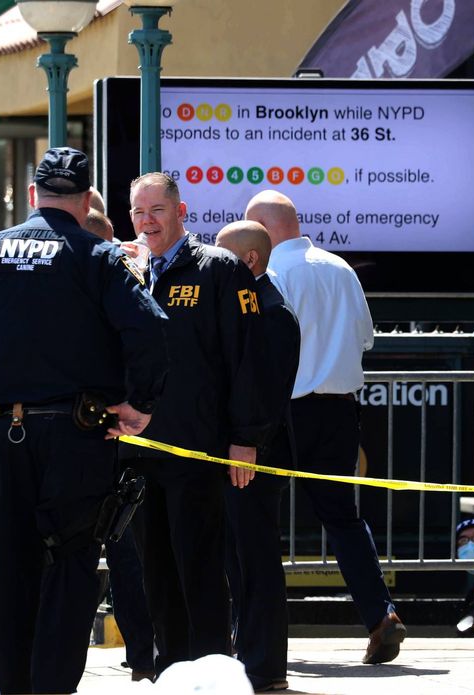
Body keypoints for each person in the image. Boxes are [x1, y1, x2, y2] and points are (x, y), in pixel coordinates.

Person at [0, 147, 168, 694]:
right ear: (83, 202)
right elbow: (152, 330)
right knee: (72, 562)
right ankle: (52, 686)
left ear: (32, 196)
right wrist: (140, 406)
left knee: (11, 560)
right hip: (79, 435)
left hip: (6, 432)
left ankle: (15, 685)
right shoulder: (96, 256)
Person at [117, 173, 270, 675]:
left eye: (156, 210)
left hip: (197, 450)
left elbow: (247, 360)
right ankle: (169, 671)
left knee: (200, 569)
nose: (146, 221)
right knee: (155, 571)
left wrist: (243, 439)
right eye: (138, 212)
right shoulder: (123, 270)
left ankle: (211, 672)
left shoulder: (218, 268)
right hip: (137, 452)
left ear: (181, 212)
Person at [246, 189, 407, 665]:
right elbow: (365, 338)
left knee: (254, 520)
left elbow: (264, 347)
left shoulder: (272, 273)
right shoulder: (341, 268)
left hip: (283, 411)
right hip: (338, 408)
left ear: (265, 231)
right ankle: (381, 616)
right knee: (343, 518)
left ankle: (253, 633)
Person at [216, 220, 301, 692]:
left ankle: (265, 664)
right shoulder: (249, 307)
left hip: (256, 458)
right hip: (238, 457)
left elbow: (265, 394)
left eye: (224, 256)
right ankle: (248, 653)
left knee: (257, 561)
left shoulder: (272, 312)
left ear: (249, 260)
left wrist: (248, 444)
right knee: (238, 561)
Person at [87, 206, 155, 681]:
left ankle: (139, 650)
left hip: (85, 436)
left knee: (107, 547)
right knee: (126, 544)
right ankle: (142, 652)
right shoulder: (121, 282)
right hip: (117, 434)